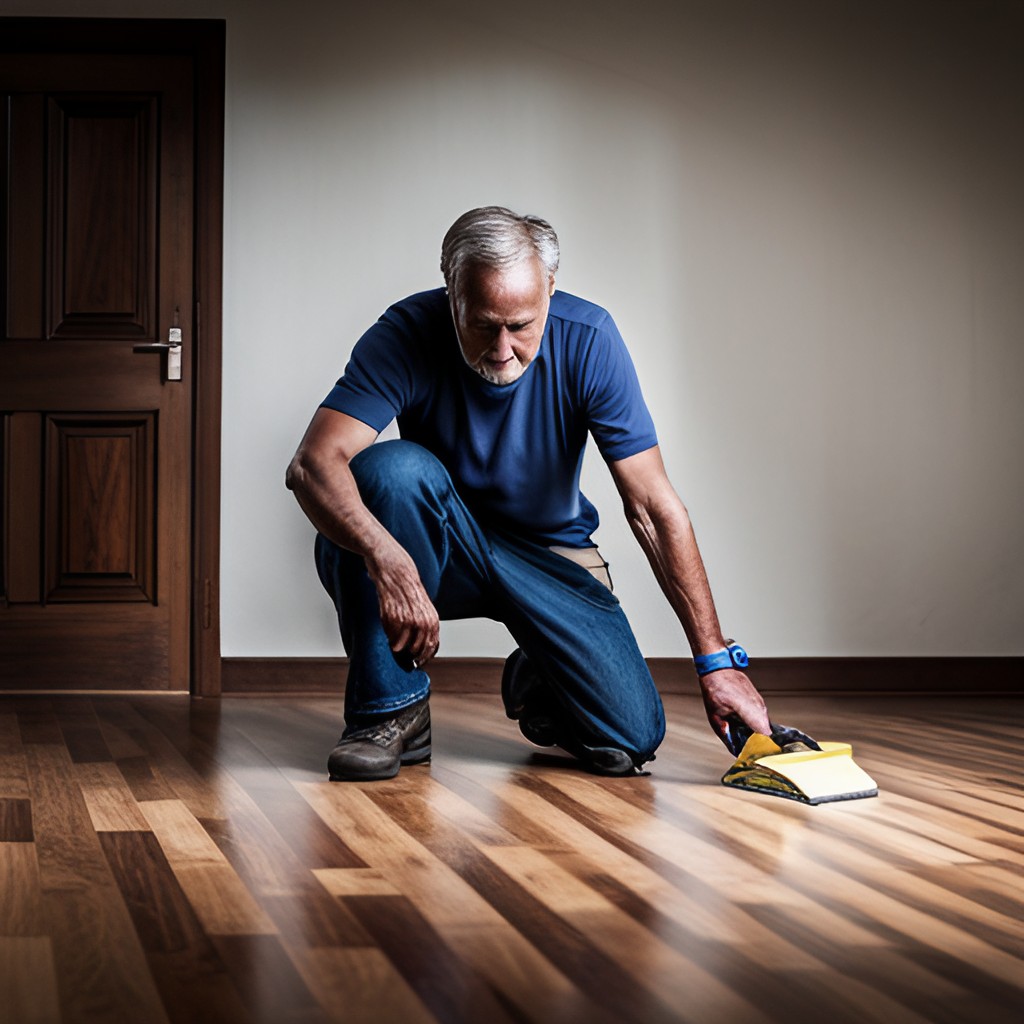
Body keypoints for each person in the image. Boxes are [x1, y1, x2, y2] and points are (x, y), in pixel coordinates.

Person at [286, 206, 771, 781]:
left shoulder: (589, 338)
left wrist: (716, 662)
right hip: (443, 547)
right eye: (482, 324)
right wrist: (386, 558)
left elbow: (652, 506)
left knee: (631, 739)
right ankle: (391, 713)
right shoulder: (407, 332)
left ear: (549, 293)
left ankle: (539, 674)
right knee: (392, 471)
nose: (501, 348)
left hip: (551, 555)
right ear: (452, 295)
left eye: (521, 326)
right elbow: (313, 463)